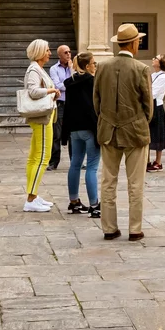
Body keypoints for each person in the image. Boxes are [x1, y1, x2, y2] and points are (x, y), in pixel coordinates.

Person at [94, 24, 154, 241]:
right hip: (135, 131)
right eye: (138, 40)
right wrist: (139, 122)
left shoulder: (102, 66)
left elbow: (96, 101)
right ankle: (135, 229)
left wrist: (107, 119)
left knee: (108, 182)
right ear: (134, 43)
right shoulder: (141, 68)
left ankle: (109, 228)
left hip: (108, 129)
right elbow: (148, 105)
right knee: (135, 183)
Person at [20, 39, 60, 213]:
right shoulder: (34, 69)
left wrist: (52, 94)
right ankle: (31, 198)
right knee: (43, 157)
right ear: (39, 52)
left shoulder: (38, 69)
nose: (50, 53)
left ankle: (33, 195)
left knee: (34, 157)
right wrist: (51, 91)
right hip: (42, 119)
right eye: (47, 50)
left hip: (45, 117)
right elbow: (33, 92)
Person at [64, 53, 101, 216]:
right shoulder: (91, 81)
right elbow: (94, 106)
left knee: (75, 164)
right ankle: (94, 205)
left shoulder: (70, 82)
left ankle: (74, 201)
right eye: (93, 63)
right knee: (92, 167)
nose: (95, 65)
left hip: (74, 129)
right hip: (89, 128)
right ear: (87, 67)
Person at [46, 45, 75, 171]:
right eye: (65, 52)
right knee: (56, 134)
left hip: (73, 103)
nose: (68, 54)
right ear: (59, 55)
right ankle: (54, 161)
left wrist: (71, 70)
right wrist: (71, 83)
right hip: (60, 104)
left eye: (69, 52)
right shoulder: (54, 69)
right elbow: (57, 86)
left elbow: (76, 81)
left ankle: (75, 161)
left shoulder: (73, 68)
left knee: (73, 135)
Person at [145, 55, 165, 172]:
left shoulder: (163, 77)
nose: (153, 59)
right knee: (149, 133)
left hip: (157, 106)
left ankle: (158, 161)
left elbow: (153, 93)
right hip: (150, 105)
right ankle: (147, 161)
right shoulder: (153, 75)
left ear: (160, 62)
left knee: (158, 133)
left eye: (156, 58)